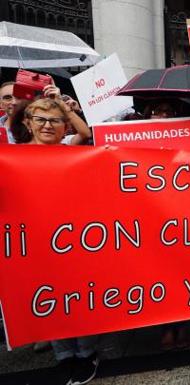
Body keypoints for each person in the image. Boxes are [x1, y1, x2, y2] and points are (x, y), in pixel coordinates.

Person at [23, 98, 99, 385]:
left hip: (74, 240)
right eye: (40, 119)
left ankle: (86, 353)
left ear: (64, 125)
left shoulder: (73, 153)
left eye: (54, 120)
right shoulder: (10, 158)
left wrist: (65, 107)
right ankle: (63, 355)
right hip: (35, 242)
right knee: (49, 297)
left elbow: (87, 134)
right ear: (28, 123)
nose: (46, 125)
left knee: (78, 297)